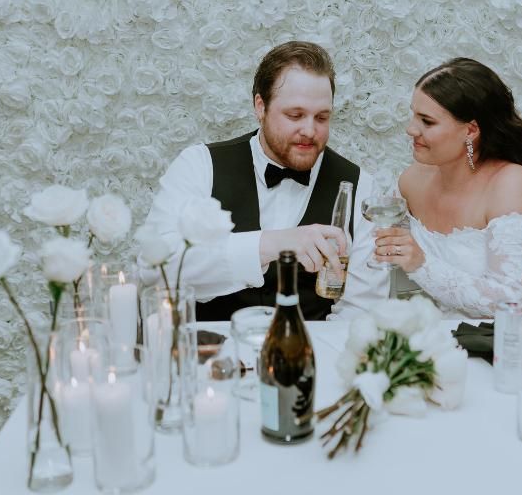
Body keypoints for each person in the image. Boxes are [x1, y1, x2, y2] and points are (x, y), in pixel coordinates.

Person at [142, 41, 386, 321]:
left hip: (314, 346)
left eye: (321, 117)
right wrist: (271, 244)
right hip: (212, 346)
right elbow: (153, 269)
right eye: (295, 115)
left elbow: (362, 312)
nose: (310, 130)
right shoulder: (199, 165)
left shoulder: (359, 186)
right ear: (261, 106)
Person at [371, 57, 522, 318]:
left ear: (471, 130)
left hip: (512, 337)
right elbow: (379, 247)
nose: (411, 129)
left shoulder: (513, 186)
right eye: (413, 115)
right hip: (439, 334)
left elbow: (512, 301)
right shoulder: (414, 179)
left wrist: (421, 265)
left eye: (427, 121)